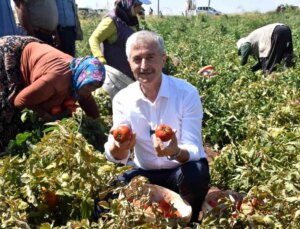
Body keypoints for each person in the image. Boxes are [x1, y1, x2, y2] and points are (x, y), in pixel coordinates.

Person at [104, 31, 210, 222]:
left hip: (179, 170)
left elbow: (194, 148)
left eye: (150, 57)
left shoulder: (186, 93)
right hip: (145, 171)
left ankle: (190, 219)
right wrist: (117, 149)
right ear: (129, 62)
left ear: (163, 59)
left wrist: (176, 151)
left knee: (197, 174)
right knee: (109, 191)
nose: (144, 66)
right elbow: (118, 152)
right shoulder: (122, 99)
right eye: (137, 59)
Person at [0, 36, 105, 152]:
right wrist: (45, 115)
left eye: (95, 86)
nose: (91, 90)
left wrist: (99, 127)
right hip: (11, 53)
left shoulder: (81, 79)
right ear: (82, 76)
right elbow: (20, 101)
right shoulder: (56, 80)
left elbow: (89, 103)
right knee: (8, 109)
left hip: (35, 52)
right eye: (90, 85)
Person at [89, 0, 151, 81]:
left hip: (129, 76)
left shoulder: (131, 20)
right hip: (113, 78)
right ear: (131, 4)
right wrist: (99, 57)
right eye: (139, 5)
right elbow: (94, 38)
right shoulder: (112, 21)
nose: (141, 8)